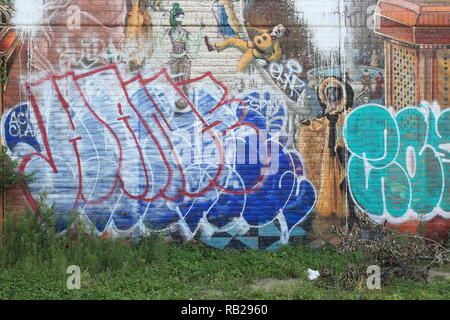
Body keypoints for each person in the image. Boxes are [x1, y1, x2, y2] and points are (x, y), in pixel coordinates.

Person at [165, 3, 204, 110]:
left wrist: (201, 29)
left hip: (183, 58)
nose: (181, 18)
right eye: (179, 16)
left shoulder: (185, 32)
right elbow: (163, 44)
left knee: (185, 81)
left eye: (182, 16)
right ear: (174, 17)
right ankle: (175, 103)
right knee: (174, 82)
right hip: (173, 58)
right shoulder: (169, 31)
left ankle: (185, 102)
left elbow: (193, 42)